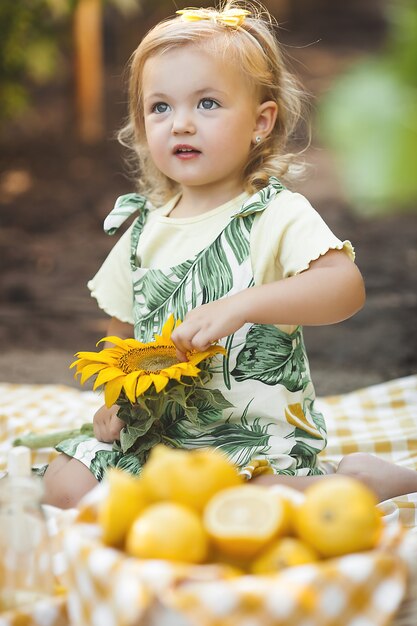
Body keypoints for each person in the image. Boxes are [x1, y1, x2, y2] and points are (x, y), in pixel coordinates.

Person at [43, 1, 417, 508]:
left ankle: (362, 478)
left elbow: (344, 287)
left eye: (207, 103)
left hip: (248, 442)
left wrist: (242, 304)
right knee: (65, 483)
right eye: (161, 107)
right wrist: (115, 399)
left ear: (261, 121)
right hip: (159, 436)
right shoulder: (144, 227)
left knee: (255, 498)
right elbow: (120, 329)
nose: (181, 124)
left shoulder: (274, 214)